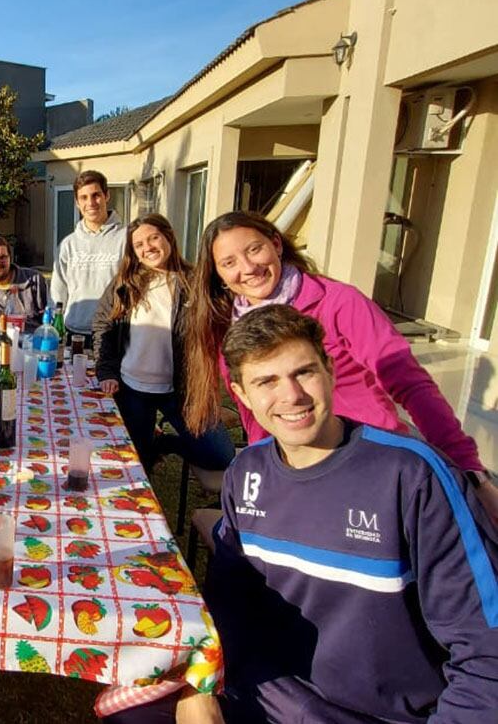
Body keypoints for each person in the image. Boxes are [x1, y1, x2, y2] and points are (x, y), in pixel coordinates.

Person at [205, 304, 498, 722]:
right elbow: (228, 602)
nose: (291, 396)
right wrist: (201, 687)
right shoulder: (246, 472)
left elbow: (486, 650)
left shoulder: (411, 476)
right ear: (241, 395)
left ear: (330, 371)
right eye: (267, 381)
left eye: (303, 372)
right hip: (269, 694)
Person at [183, 211, 498, 519]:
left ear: (276, 245)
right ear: (218, 275)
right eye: (229, 262)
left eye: (254, 249)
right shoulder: (228, 329)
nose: (248, 267)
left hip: (365, 465)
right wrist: (267, 475)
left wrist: (470, 471)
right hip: (295, 474)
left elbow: (412, 385)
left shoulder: (339, 303)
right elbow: (255, 417)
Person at [92, 215, 233, 475]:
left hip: (180, 391)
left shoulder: (195, 281)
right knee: (137, 461)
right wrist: (107, 371)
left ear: (168, 236)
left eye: (153, 238)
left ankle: (166, 442)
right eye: (139, 244)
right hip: (132, 388)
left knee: (220, 454)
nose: (148, 247)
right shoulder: (126, 283)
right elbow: (104, 326)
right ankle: (149, 445)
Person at [50, 170, 124, 349]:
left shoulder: (127, 239)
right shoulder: (68, 244)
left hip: (113, 332)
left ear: (107, 196)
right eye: (83, 197)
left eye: (96, 195)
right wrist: (55, 327)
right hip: (74, 333)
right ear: (77, 202)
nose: (90, 203)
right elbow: (58, 291)